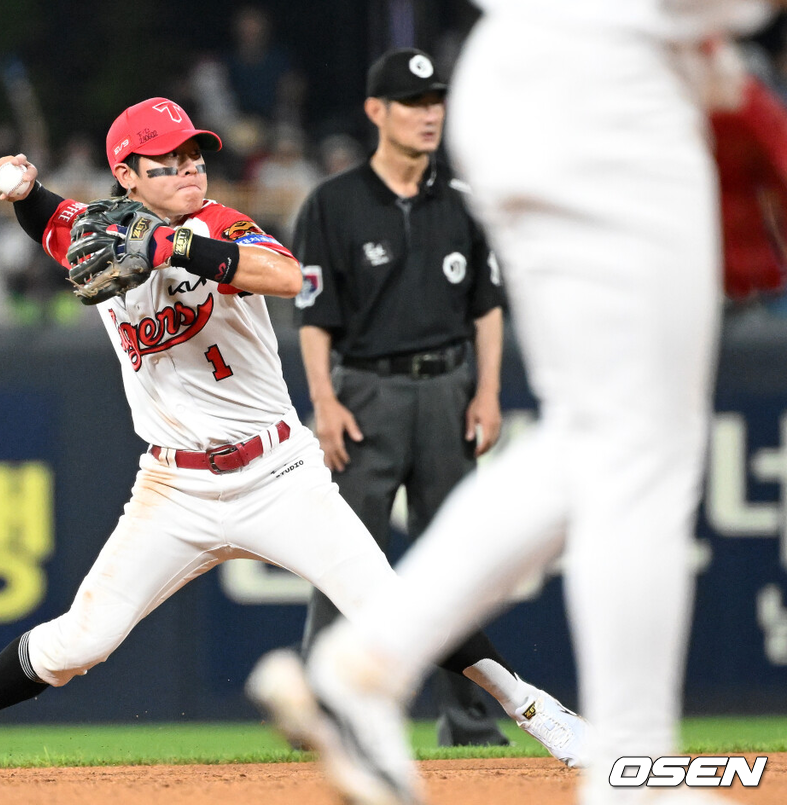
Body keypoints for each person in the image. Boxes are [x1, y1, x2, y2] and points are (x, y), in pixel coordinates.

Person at [0, 96, 581, 777]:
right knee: (81, 641)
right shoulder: (101, 230)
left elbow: (290, 276)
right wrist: (16, 187)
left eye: (196, 154)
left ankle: (536, 709)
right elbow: (45, 213)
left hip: (278, 475)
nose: (192, 167)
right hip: (173, 488)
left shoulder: (217, 227)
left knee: (396, 610)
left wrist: (175, 247)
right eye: (169, 160)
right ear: (126, 174)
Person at [247, 2, 780, 805]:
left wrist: (718, 80)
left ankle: (366, 666)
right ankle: (631, 770)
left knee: (604, 437)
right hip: (608, 82)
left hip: (546, 76)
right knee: (641, 448)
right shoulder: (337, 201)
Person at [292, 47, 520, 748]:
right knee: (345, 558)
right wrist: (325, 401)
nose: (429, 115)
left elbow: (487, 305)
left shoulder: (462, 201)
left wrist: (487, 390)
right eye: (413, 103)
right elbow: (312, 313)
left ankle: (471, 719)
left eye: (435, 102)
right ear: (376, 111)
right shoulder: (333, 202)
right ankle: (327, 712)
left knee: (458, 562)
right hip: (366, 391)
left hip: (448, 389)